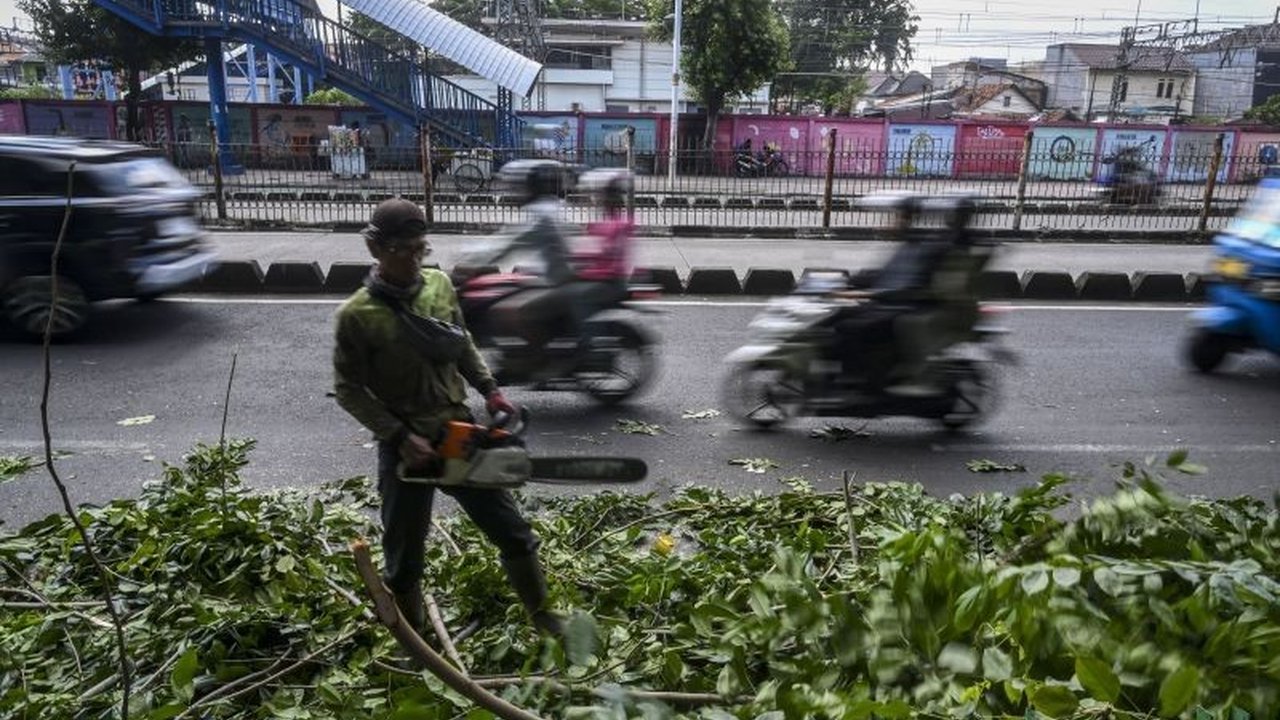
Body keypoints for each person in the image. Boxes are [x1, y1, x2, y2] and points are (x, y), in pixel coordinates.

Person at [332, 197, 562, 638]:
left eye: (421, 249)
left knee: (512, 532)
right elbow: (348, 390)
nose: (413, 260)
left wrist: (491, 391)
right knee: (404, 562)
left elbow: (462, 343)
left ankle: (543, 616)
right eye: (403, 250)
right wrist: (398, 435)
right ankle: (415, 639)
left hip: (456, 434)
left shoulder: (438, 286)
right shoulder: (356, 316)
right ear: (375, 249)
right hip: (405, 449)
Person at [831, 196, 957, 394]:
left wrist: (869, 294)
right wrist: (847, 282)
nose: (891, 223)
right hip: (886, 302)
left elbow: (907, 285)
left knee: (851, 328)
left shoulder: (925, 248)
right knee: (836, 316)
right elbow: (884, 274)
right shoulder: (910, 244)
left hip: (900, 306)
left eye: (897, 217)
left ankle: (857, 382)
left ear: (907, 219)